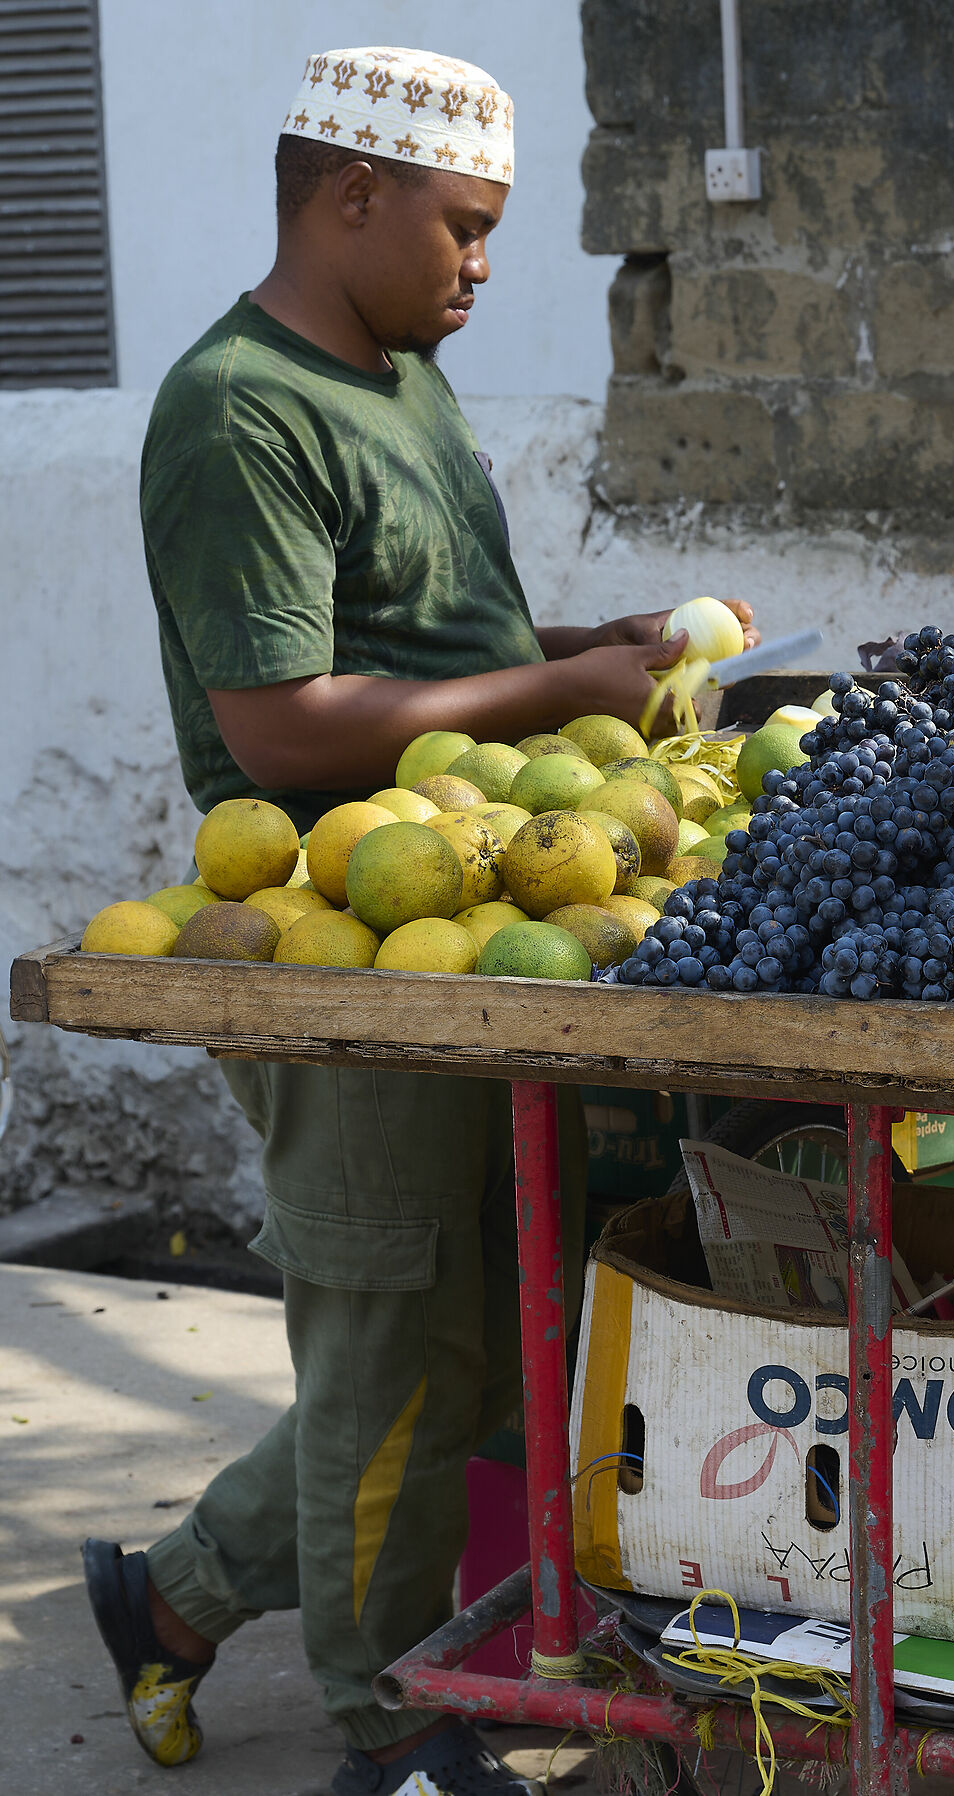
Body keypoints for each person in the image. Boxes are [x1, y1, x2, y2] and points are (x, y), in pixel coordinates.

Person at [78, 48, 751, 1796]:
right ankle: (388, 1723)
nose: (480, 264)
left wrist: (589, 662)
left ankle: (172, 1601)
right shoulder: (239, 407)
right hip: (349, 943)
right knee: (393, 1341)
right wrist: (550, 690)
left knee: (473, 1337)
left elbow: (457, 656)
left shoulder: (406, 378)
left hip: (479, 909)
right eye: (461, 227)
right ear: (348, 194)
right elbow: (282, 725)